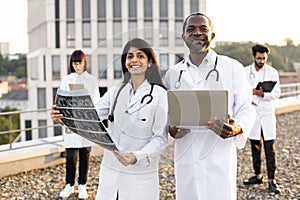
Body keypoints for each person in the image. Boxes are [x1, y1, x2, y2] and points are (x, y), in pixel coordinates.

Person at [164, 13, 256, 199]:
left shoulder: (232, 68)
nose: (197, 33)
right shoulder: (173, 74)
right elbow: (166, 113)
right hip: (186, 154)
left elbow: (247, 107)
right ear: (184, 37)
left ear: (212, 36)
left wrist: (237, 128)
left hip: (219, 154)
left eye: (203, 29)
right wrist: (170, 130)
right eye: (191, 29)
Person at [93, 38, 168, 199]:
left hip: (139, 172)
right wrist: (63, 117)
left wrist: (136, 156)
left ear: (149, 62)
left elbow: (160, 138)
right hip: (111, 170)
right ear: (125, 62)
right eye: (130, 56)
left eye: (140, 56)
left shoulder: (160, 94)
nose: (134, 60)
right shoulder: (117, 90)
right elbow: (91, 115)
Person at [50, 50, 100, 199]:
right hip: (70, 122)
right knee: (71, 156)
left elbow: (96, 101)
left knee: (85, 155)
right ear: (71, 65)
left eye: (80, 64)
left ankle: (82, 185)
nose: (78, 67)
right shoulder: (66, 79)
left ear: (85, 64)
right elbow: (61, 99)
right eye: (75, 64)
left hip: (85, 122)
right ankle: (69, 185)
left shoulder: (91, 80)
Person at [243, 44, 281, 194]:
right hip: (252, 112)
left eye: (263, 58)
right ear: (253, 57)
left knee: (269, 146)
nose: (261, 61)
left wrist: (262, 94)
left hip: (266, 113)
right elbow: (240, 92)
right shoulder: (245, 72)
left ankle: (272, 180)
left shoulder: (272, 72)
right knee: (254, 145)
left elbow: (276, 93)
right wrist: (249, 97)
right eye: (258, 58)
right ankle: (257, 175)